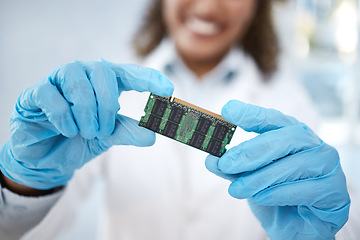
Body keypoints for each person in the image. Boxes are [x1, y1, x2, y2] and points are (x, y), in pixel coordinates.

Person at [0, 0, 351, 239]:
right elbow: (22, 232)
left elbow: (342, 220)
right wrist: (25, 185)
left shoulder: (293, 104)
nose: (208, 3)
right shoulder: (102, 91)